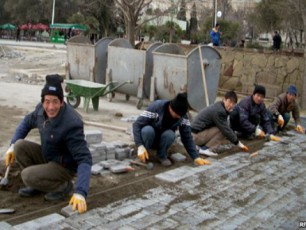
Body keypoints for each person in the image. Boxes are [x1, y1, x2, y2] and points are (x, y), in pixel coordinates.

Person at [4, 74, 92, 214]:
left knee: (27, 175)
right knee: (19, 146)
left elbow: (85, 159)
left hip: (64, 166)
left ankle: (63, 186)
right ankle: (38, 183)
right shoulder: (41, 110)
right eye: (47, 101)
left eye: (55, 102)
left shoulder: (71, 124)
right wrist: (12, 146)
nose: (50, 107)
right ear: (43, 100)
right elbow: (26, 122)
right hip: (48, 155)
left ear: (62, 102)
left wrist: (81, 192)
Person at [133, 92, 210, 167]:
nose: (179, 117)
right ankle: (142, 154)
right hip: (149, 138)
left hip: (162, 141)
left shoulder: (182, 116)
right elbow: (137, 125)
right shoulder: (156, 107)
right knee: (148, 130)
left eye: (181, 115)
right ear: (171, 108)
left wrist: (196, 157)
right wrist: (140, 145)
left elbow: (187, 137)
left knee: (170, 134)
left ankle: (162, 156)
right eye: (177, 115)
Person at [191, 91, 249, 157]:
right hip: (194, 137)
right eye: (229, 102)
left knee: (224, 128)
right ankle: (205, 149)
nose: (231, 105)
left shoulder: (219, 106)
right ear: (224, 99)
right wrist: (238, 143)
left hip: (194, 135)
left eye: (233, 103)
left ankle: (202, 147)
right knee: (223, 131)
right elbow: (226, 130)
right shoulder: (219, 111)